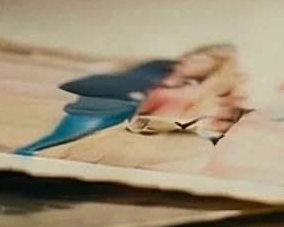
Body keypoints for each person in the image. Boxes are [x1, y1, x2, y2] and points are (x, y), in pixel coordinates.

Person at [14, 45, 232, 156]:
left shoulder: (193, 83)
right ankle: (25, 155)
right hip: (108, 102)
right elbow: (123, 80)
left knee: (77, 140)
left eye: (200, 61)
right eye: (192, 57)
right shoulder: (161, 67)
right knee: (68, 136)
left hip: (126, 110)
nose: (190, 61)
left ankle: (29, 155)